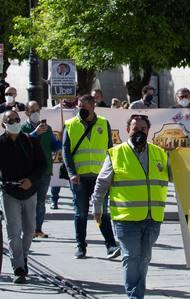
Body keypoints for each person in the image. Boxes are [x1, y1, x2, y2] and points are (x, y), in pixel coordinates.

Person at [92, 114, 168, 299]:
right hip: (126, 218)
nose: (139, 132)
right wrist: (97, 207)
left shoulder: (159, 153)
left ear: (148, 131)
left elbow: (179, 175)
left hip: (152, 217)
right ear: (128, 131)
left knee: (144, 258)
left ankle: (139, 296)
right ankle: (134, 297)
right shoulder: (116, 153)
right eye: (135, 129)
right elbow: (101, 183)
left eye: (143, 129)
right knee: (131, 256)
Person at [63, 94, 120, 260]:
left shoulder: (103, 123)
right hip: (79, 177)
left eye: (84, 107)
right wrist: (72, 173)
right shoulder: (70, 124)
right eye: (79, 107)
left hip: (99, 177)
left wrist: (110, 172)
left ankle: (110, 246)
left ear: (93, 106)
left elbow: (110, 149)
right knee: (80, 213)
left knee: (102, 212)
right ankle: (80, 246)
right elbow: (66, 152)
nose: (81, 110)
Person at [0, 110, 46, 282]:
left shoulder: (30, 141)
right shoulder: (1, 143)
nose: (14, 122)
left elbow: (42, 165)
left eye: (17, 119)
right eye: (10, 120)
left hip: (29, 192)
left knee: (29, 230)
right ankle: (18, 267)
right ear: (3, 124)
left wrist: (31, 180)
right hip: (9, 192)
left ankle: (23, 256)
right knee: (13, 231)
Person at [23, 102, 61, 238]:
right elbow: (22, 143)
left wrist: (61, 141)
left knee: (40, 202)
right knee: (28, 202)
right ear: (26, 112)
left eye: (37, 110)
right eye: (32, 110)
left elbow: (53, 146)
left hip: (44, 171)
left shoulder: (48, 128)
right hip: (28, 172)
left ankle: (38, 229)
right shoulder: (23, 128)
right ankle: (28, 229)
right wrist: (34, 133)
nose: (35, 112)